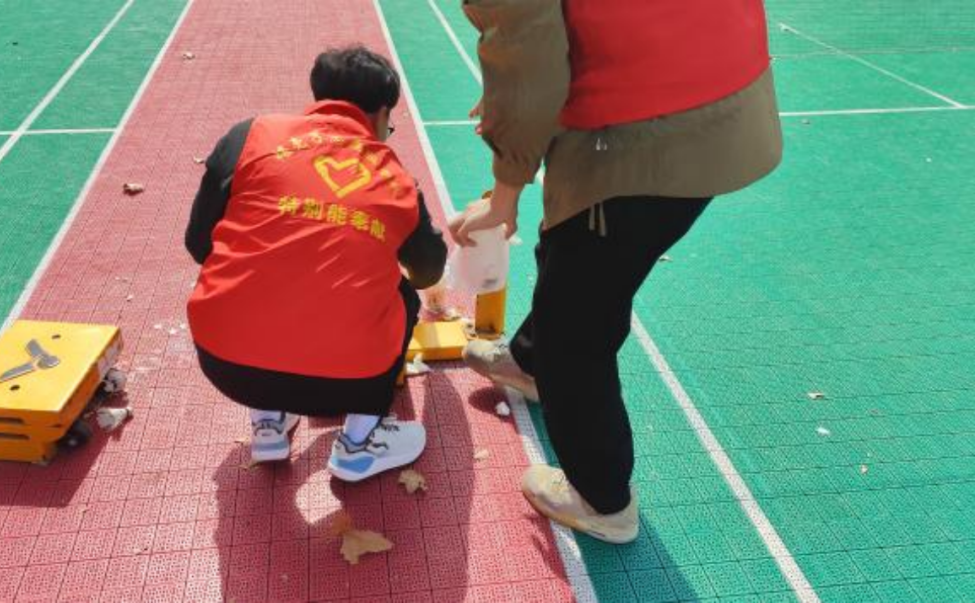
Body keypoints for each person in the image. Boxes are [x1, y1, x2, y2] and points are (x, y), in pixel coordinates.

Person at [451, 0, 782, 542]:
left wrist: (504, 196)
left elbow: (530, 57)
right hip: (722, 100)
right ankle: (530, 363)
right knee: (580, 254)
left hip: (645, 132)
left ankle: (601, 499)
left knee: (576, 327)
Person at [186, 46, 447, 482]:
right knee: (404, 296)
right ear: (382, 114)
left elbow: (199, 244)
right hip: (350, 384)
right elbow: (427, 273)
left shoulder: (250, 135)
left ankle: (268, 422)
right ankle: (359, 445)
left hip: (224, 363)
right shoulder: (396, 177)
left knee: (257, 275)